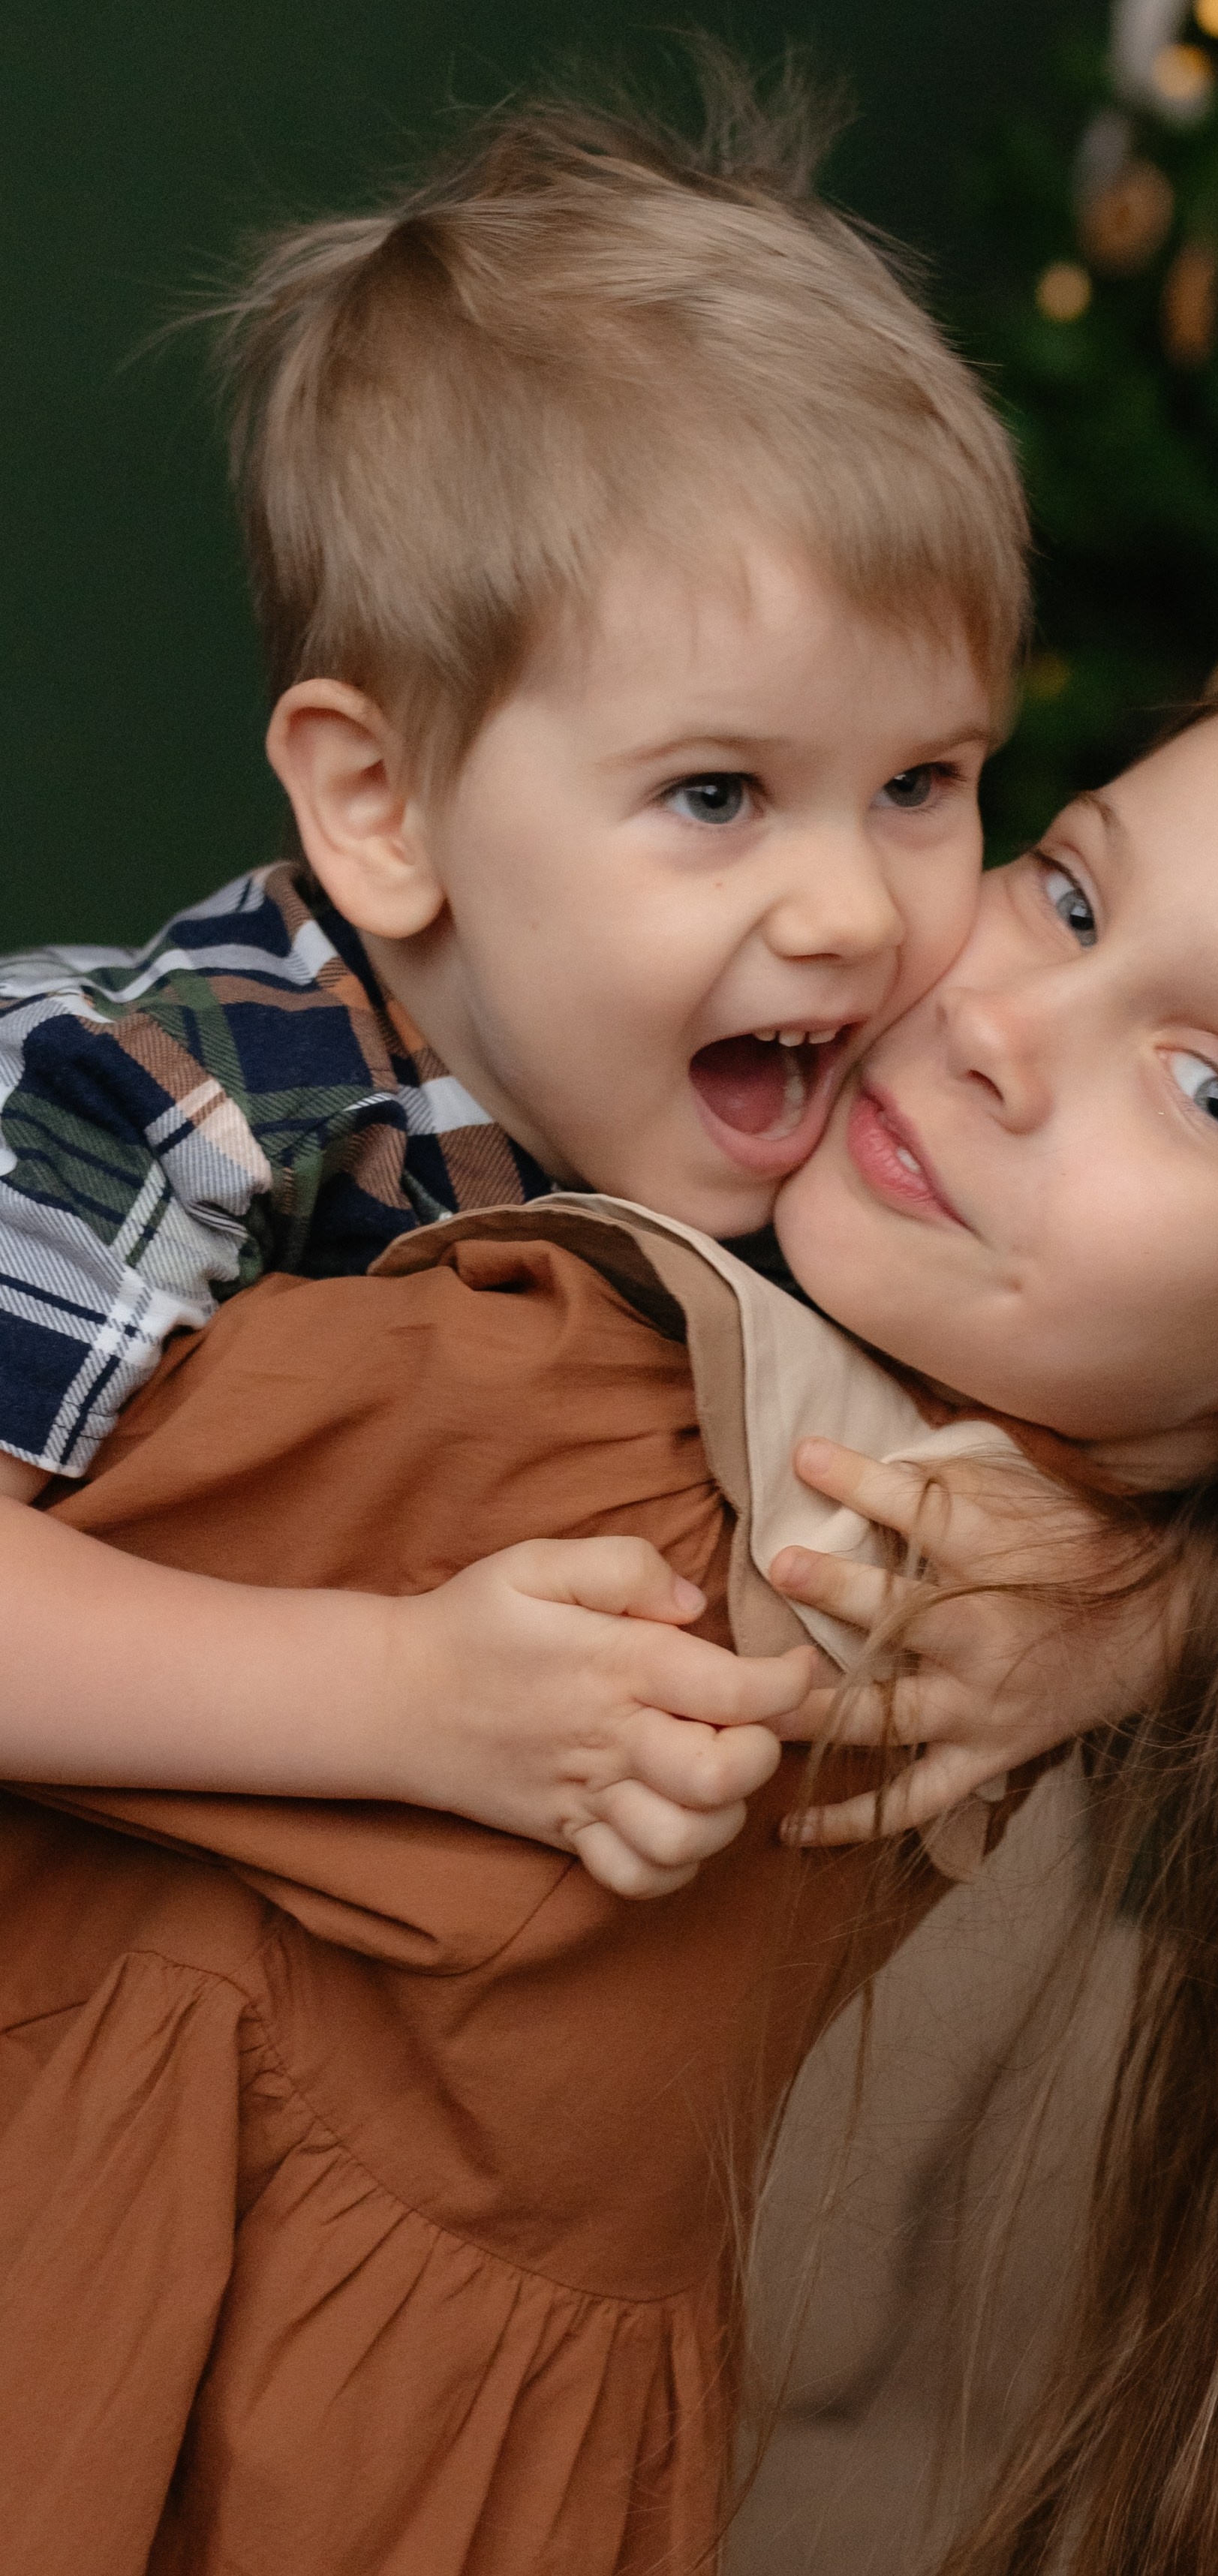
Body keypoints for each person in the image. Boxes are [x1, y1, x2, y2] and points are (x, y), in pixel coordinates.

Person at [3, 653, 1218, 2576]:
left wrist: (1154, 1602)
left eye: (1211, 1086)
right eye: (1068, 891)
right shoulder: (906, 1477)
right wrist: (1155, 1592)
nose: (1000, 1023)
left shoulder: (705, 1472)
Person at [0, 64, 1118, 1897]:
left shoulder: (839, 1069)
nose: (850, 908)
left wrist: (1118, 1620)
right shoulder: (176, 1083)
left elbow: (1191, 1417)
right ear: (382, 806)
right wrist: (405, 1698)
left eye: (922, 781)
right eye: (714, 792)